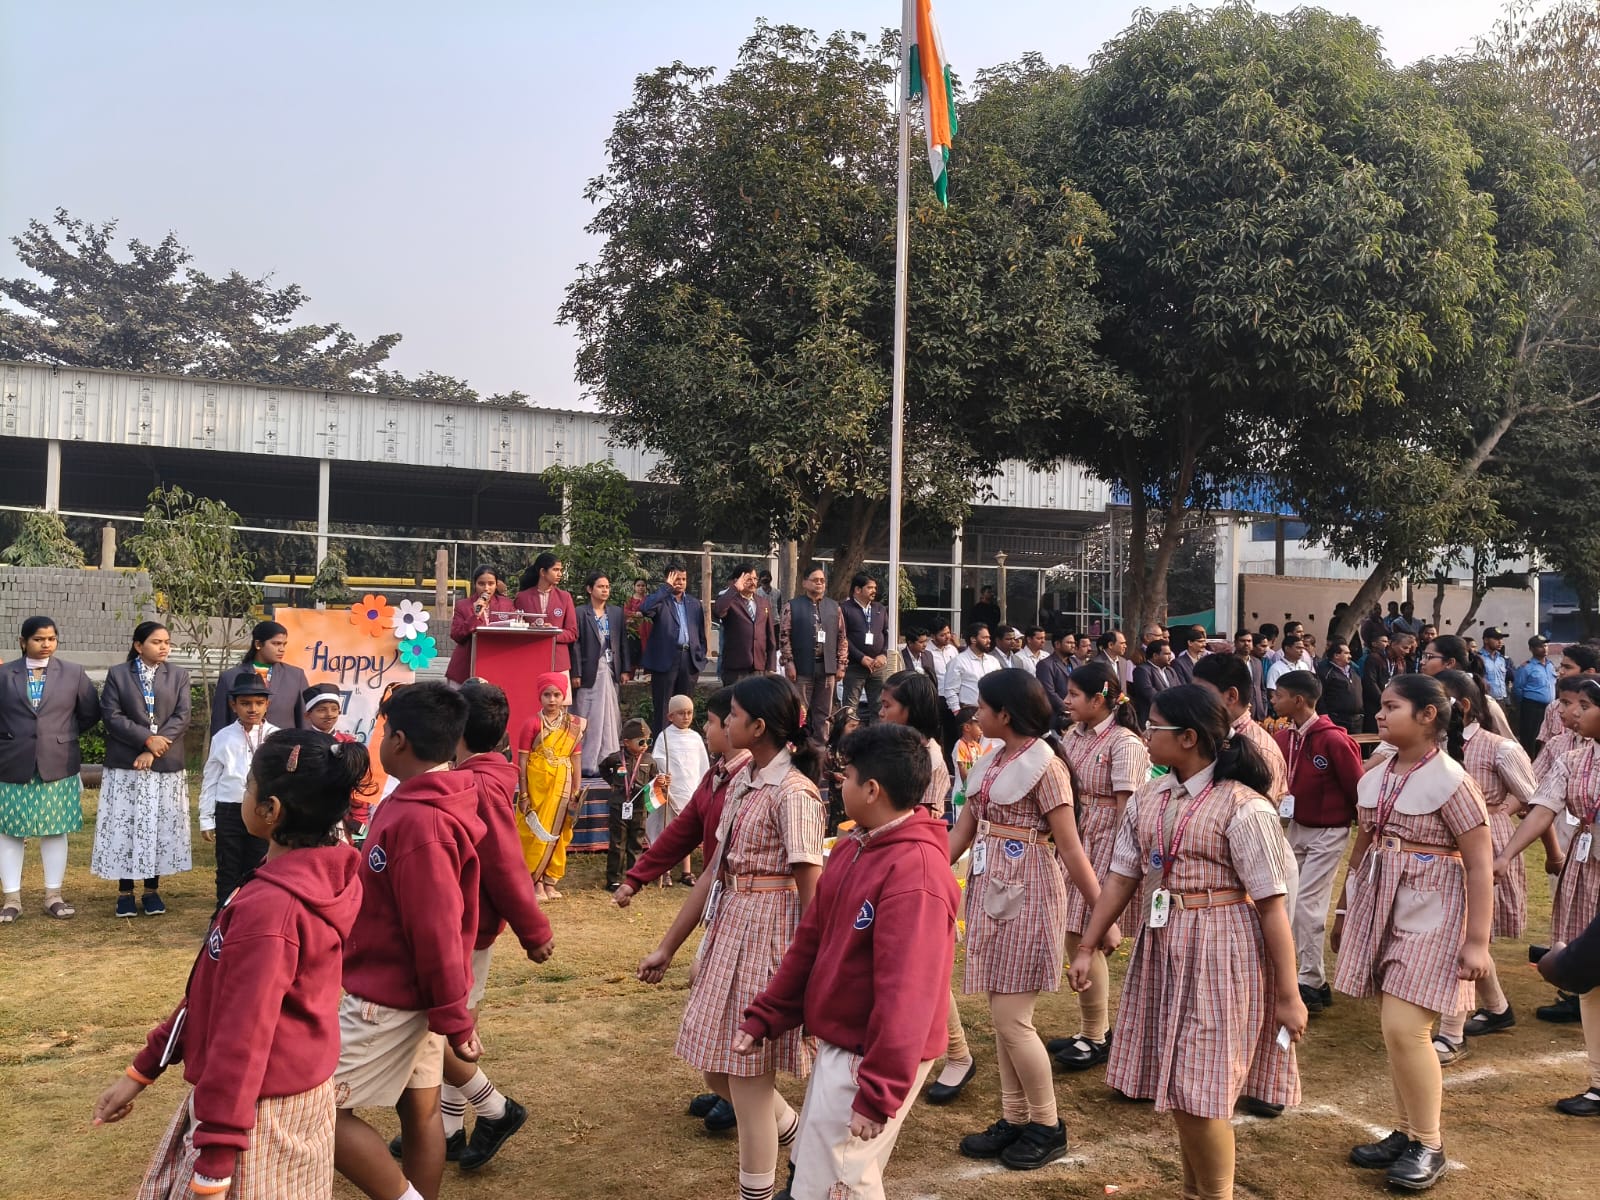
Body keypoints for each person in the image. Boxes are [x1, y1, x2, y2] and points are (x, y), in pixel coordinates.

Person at [93, 730, 367, 1199]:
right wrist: (141, 1071)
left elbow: (243, 1034)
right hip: (278, 1100)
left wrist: (216, 1162)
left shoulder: (272, 911)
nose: (243, 795)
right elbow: (208, 993)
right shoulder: (314, 878)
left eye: (248, 787)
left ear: (270, 810)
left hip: (256, 1117)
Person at [1073, 684, 1303, 1200]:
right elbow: (1121, 876)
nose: (1145, 735)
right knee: (1181, 1083)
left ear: (1189, 738)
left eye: (1155, 727)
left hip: (1223, 948)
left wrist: (1289, 995)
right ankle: (1195, 1191)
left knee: (1202, 1090)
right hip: (1165, 943)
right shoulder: (1151, 796)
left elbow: (1271, 905)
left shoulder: (1244, 807)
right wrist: (1087, 945)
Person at [736, 723, 960, 1200]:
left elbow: (909, 993)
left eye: (848, 776)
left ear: (872, 789)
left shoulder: (915, 873)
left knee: (838, 1182)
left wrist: (877, 1090)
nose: (840, 784)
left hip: (871, 1052)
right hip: (844, 1043)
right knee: (822, 1172)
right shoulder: (855, 845)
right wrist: (768, 1014)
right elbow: (811, 941)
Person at [637, 676, 826, 1200]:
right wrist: (667, 946)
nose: (722, 722)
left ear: (759, 727)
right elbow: (712, 872)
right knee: (719, 1069)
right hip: (731, 927)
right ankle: (802, 1140)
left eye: (734, 714)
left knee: (746, 1080)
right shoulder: (744, 781)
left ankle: (757, 1191)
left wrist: (810, 967)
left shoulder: (794, 793)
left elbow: (812, 892)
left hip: (769, 938)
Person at [1331, 673, 1493, 1190]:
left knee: (1406, 1028)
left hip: (1434, 910)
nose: (1379, 714)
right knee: (1393, 1028)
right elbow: (1363, 845)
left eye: (1392, 706)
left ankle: (1429, 1143)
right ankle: (1406, 1131)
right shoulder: (1378, 774)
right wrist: (1345, 909)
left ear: (1428, 715)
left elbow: (1479, 864)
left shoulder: (1452, 780)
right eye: (1380, 706)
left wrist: (1477, 941)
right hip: (1381, 902)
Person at [948, 670, 1111, 1171]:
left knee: (1012, 1021)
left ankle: (1046, 1124)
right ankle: (1015, 1117)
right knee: (1004, 1019)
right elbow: (962, 834)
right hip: (990, 895)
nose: (976, 714)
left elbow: (1071, 848)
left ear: (1006, 713)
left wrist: (1101, 916)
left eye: (983, 706)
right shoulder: (992, 761)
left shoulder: (1046, 768)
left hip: (1031, 895)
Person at [333, 682, 485, 1200]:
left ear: (398, 740)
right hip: (419, 991)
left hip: (392, 996)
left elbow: (436, 926)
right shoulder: (414, 801)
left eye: (382, 731)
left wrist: (454, 1016)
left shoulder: (422, 821)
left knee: (317, 1108)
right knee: (420, 1111)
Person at [397, 679, 553, 1174]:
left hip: (465, 924)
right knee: (450, 1023)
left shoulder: (477, 785)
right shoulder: (483, 776)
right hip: (468, 922)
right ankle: (448, 1127)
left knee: (445, 1026)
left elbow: (504, 862)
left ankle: (493, 1108)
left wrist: (534, 931)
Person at [1493, 676, 1600, 1115]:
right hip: (1585, 870)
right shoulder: (1573, 758)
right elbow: (1543, 809)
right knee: (1590, 979)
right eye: (1571, 704)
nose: (1571, 712)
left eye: (1584, 705)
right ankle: (1598, 1083)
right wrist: (1506, 855)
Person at [1424, 671, 1537, 1062]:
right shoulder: (1430, 746)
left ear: (1462, 705)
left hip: (1483, 843)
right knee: (1465, 932)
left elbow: (1534, 797)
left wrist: (1500, 809)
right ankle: (1498, 1008)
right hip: (1442, 846)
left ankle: (1451, 1034)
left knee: (1468, 934)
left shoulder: (1498, 747)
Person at [878, 671, 974, 1105]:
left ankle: (958, 1053)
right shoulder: (896, 745)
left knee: (924, 966)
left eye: (889, 705)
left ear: (910, 709)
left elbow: (924, 821)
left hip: (915, 863)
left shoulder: (928, 755)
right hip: (892, 860)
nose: (881, 712)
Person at [1051, 661, 1148, 1072]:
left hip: (1106, 842)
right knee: (1072, 931)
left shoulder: (1125, 744)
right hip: (1076, 836)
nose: (1066, 700)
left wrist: (1121, 863)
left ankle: (1095, 1035)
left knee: (1083, 934)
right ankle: (1093, 1029)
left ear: (1098, 699)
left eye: (1074, 694)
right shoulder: (1072, 735)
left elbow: (1129, 808)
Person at [1269, 671, 1362, 1016]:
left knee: (1309, 903)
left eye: (1279, 695)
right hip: (1295, 826)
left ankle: (1310, 980)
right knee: (1290, 900)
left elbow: (1356, 786)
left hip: (1329, 829)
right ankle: (1310, 978)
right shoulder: (1283, 738)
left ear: (1298, 700)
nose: (1273, 700)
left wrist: (1363, 827)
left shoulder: (1334, 740)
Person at [0, 616, 100, 923]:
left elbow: (90, 713)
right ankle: (12, 899)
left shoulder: (73, 673)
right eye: (39, 639)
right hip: (11, 762)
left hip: (58, 761)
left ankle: (53, 896)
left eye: (51, 639)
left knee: (55, 829)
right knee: (9, 830)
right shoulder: (4, 674)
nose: (46, 644)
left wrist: (59, 736)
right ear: (22, 642)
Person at [91, 621, 193, 917]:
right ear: (138, 645)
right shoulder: (119, 674)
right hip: (127, 763)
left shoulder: (179, 675)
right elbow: (112, 715)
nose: (164, 647)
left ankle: (151, 890)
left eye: (167, 642)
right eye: (156, 642)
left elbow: (182, 716)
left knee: (157, 826)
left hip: (164, 762)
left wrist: (154, 749)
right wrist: (146, 739)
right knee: (127, 825)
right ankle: (125, 892)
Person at [200, 675, 278, 908]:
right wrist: (206, 818)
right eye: (245, 703)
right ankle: (223, 916)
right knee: (228, 866)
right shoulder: (222, 737)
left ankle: (253, 913)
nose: (252, 709)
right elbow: (210, 779)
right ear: (233, 705)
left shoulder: (277, 737)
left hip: (263, 810)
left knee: (259, 865)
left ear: (267, 705)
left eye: (258, 703)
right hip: (230, 810)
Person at [515, 673, 585, 903]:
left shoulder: (573, 726)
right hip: (537, 787)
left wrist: (577, 790)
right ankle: (534, 881)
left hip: (563, 786)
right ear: (540, 696)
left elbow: (576, 759)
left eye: (556, 695)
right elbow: (522, 760)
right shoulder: (532, 723)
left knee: (559, 831)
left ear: (563, 696)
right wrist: (524, 794)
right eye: (547, 695)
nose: (552, 700)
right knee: (534, 832)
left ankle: (550, 881)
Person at [779, 565, 849, 749]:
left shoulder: (834, 607)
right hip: (801, 667)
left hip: (827, 668)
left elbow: (842, 637)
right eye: (815, 580)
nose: (819, 583)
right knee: (799, 712)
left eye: (822, 581)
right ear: (804, 583)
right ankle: (797, 747)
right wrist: (789, 663)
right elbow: (784, 637)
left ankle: (820, 749)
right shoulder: (792, 606)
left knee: (823, 713)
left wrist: (841, 664)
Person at [572, 570, 630, 776]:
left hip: (610, 669)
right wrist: (576, 672)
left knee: (609, 717)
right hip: (588, 671)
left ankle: (607, 759)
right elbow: (575, 645)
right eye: (600, 587)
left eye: (607, 587)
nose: (605, 590)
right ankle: (586, 762)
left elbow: (622, 642)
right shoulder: (580, 612)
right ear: (590, 589)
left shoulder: (616, 613)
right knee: (587, 715)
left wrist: (625, 669)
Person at [640, 564, 708, 732]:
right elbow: (645, 609)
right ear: (668, 579)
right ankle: (662, 745)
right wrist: (666, 588)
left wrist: (700, 655)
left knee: (685, 707)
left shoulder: (694, 603)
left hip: (689, 659)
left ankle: (683, 743)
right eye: (677, 579)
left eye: (684, 579)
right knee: (664, 707)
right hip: (666, 660)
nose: (681, 582)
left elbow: (700, 633)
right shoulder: (661, 601)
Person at [211, 619, 307, 734]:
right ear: (258, 644)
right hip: (240, 743)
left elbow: (305, 720)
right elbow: (219, 722)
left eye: (284, 644)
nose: (282, 649)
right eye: (276, 644)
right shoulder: (230, 677)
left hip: (284, 744)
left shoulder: (295, 676)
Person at [652, 695, 712, 875]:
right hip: (671, 791)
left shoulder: (696, 738)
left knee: (686, 833)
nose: (686, 717)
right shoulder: (664, 737)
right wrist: (664, 778)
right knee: (668, 832)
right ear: (670, 716)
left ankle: (687, 871)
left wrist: (703, 787)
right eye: (681, 713)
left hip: (691, 790)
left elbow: (702, 764)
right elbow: (658, 761)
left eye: (689, 713)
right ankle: (666, 871)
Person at [601, 718, 659, 892]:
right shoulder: (616, 758)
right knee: (617, 843)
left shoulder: (649, 760)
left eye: (648, 741)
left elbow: (655, 779)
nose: (645, 745)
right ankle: (614, 879)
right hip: (619, 805)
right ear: (626, 742)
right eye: (641, 742)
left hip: (640, 807)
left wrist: (662, 782)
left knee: (636, 843)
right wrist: (613, 783)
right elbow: (603, 768)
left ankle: (633, 878)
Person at [446, 566, 516, 687]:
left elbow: (516, 628)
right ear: (475, 584)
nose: (486, 588)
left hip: (496, 663)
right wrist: (475, 616)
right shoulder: (463, 605)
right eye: (481, 584)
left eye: (491, 584)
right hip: (466, 667)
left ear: (496, 584)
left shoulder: (506, 604)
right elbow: (456, 635)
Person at [514, 552, 579, 675]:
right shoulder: (522, 597)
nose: (560, 574)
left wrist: (552, 633)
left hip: (558, 662)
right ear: (543, 572)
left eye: (560, 570)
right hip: (530, 658)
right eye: (555, 570)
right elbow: (516, 628)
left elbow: (572, 633)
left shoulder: (564, 597)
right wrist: (531, 629)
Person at [841, 573, 892, 723]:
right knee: (850, 709)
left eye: (875, 587)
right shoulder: (844, 608)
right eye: (869, 587)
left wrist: (883, 654)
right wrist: (861, 657)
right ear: (857, 589)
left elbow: (887, 633)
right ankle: (849, 737)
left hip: (878, 666)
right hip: (854, 665)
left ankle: (877, 737)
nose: (874, 590)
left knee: (880, 707)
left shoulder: (880, 608)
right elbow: (842, 638)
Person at [715, 563, 778, 683]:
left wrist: (771, 666)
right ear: (737, 580)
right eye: (748, 579)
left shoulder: (763, 603)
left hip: (758, 668)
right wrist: (734, 589)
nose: (753, 582)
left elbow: (770, 637)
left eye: (755, 579)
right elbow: (719, 611)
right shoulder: (730, 601)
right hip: (736, 668)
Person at [939, 624, 1000, 724]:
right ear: (973, 639)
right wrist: (958, 713)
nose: (989, 640)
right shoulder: (958, 661)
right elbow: (950, 690)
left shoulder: (993, 661)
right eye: (984, 637)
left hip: (991, 714)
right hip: (969, 715)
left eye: (989, 637)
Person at [1513, 635, 1558, 756]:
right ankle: (1530, 760)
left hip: (1549, 707)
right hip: (1532, 707)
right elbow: (1518, 689)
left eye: (1546, 645)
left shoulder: (1550, 665)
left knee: (1546, 736)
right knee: (1531, 736)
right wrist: (1524, 706)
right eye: (1540, 646)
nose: (1544, 648)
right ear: (1531, 649)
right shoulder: (1526, 667)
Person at [1314, 638, 1363, 735]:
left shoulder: (1353, 670)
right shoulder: (1325, 672)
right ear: (1336, 655)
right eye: (1346, 653)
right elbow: (1320, 696)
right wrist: (1325, 717)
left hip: (1357, 721)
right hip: (1337, 720)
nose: (1350, 656)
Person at [1035, 630, 1077, 733]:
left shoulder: (1076, 662)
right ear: (1057, 644)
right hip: (1056, 718)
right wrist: (1069, 709)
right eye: (1069, 643)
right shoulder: (1045, 664)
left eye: (1074, 643)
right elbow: (1049, 692)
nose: (1073, 645)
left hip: (1077, 715)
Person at [1130, 638, 1176, 728]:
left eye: (1170, 653)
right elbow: (1150, 694)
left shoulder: (1170, 671)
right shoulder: (1142, 670)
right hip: (1151, 720)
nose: (1170, 657)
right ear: (1155, 655)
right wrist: (1172, 702)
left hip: (1171, 718)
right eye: (1166, 654)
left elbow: (1179, 690)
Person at [1362, 631, 1400, 734]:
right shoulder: (1373, 658)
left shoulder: (1399, 662)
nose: (1407, 651)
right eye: (1384, 641)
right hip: (1374, 705)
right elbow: (1370, 682)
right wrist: (1383, 700)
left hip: (1390, 705)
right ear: (1394, 645)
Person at [1234, 632, 1267, 722]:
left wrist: (1264, 708)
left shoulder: (1257, 662)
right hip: (1239, 712)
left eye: (1249, 641)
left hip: (1258, 713)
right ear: (1235, 643)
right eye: (1242, 641)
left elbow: (1262, 688)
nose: (1246, 644)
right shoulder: (1229, 663)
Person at [1480, 627, 1512, 703]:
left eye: (1501, 639)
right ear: (1486, 640)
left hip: (1502, 700)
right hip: (1486, 701)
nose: (1500, 642)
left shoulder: (1501, 659)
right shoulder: (1478, 658)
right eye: (1496, 639)